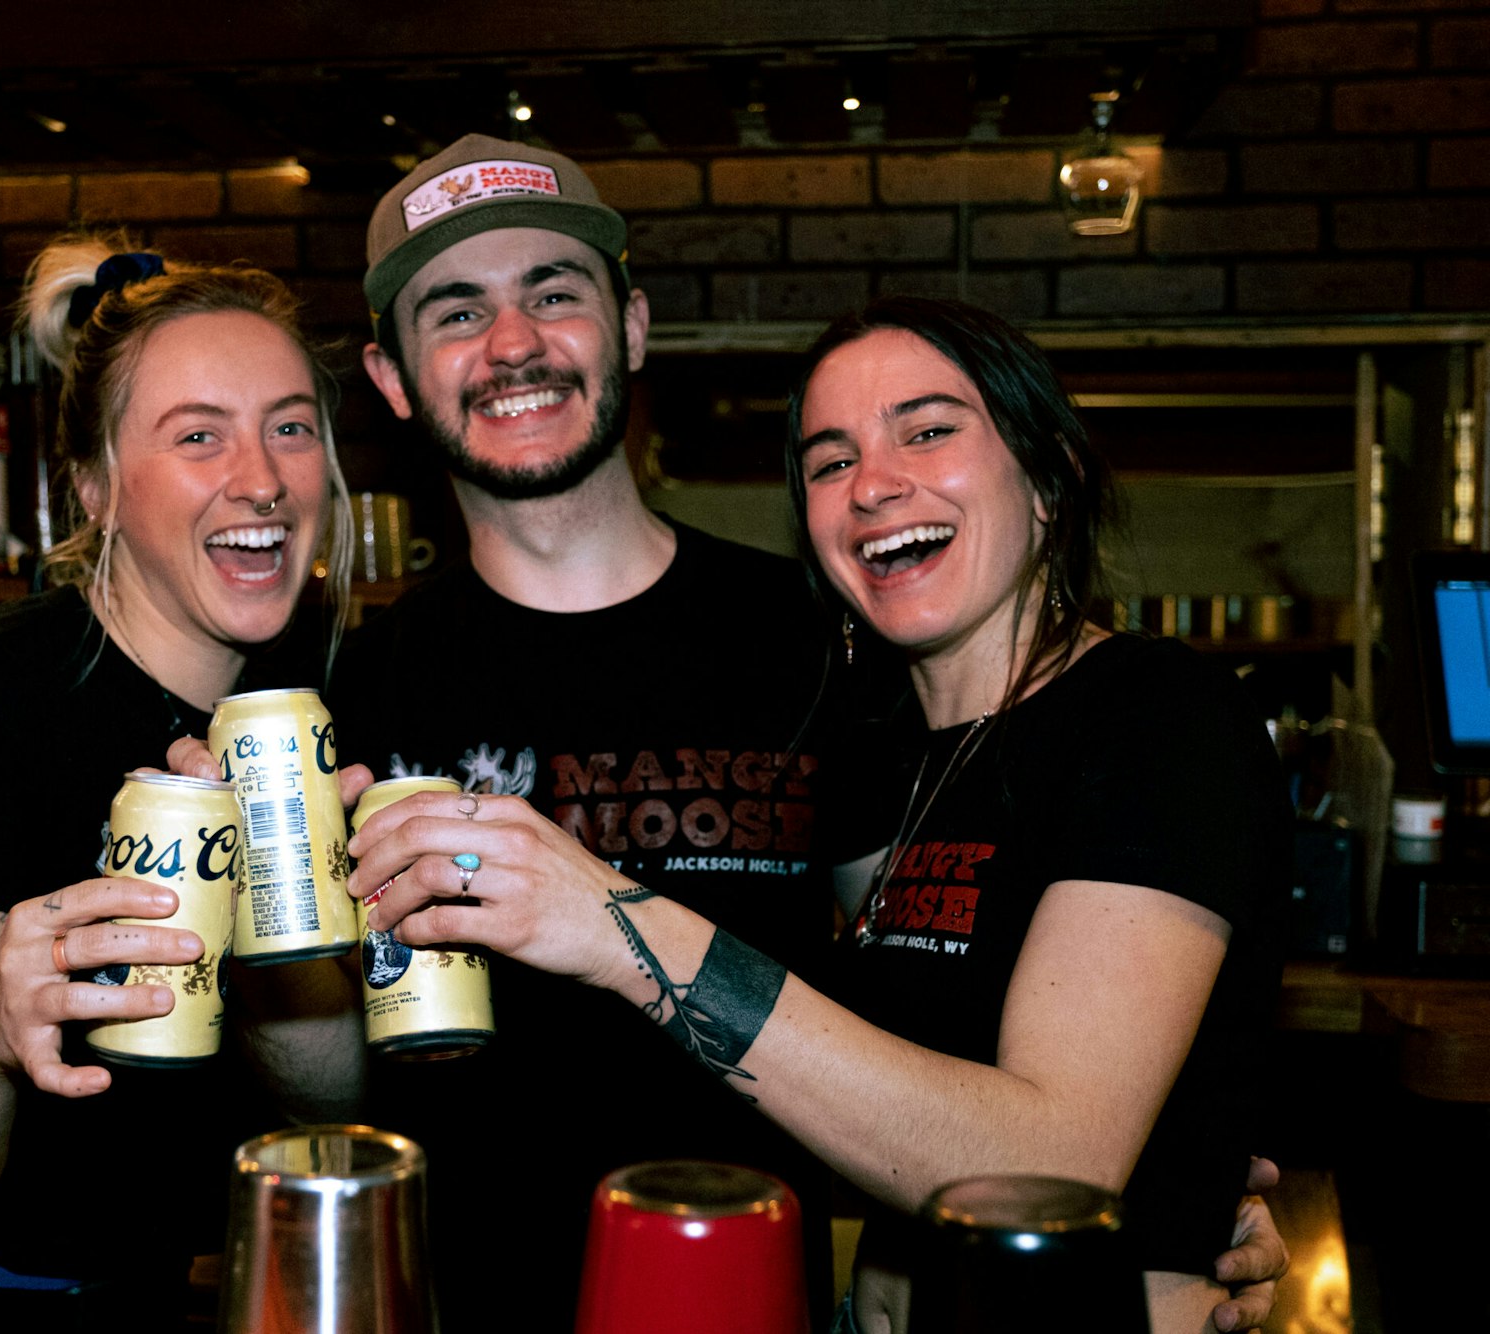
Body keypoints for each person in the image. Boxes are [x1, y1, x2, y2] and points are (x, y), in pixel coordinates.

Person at [323, 134, 1289, 1334]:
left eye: (553, 293)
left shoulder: (836, 655)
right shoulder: (339, 692)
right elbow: (933, 1012)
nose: (512, 342)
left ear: (630, 328)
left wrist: (1167, 1192)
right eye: (832, 459)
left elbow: (1050, 1129)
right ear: (389, 375)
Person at [0, 238, 368, 1324]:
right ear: (95, 488)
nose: (263, 477)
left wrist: (295, 929)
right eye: (199, 435)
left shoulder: (301, 714)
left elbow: (322, 1101)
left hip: (146, 1290)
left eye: (290, 426)